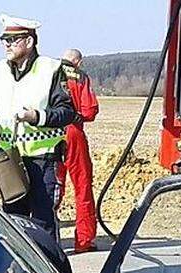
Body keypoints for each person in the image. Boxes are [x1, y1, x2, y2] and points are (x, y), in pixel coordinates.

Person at [0, 14, 76, 239]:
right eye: (4, 40)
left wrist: (37, 116)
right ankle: (17, 272)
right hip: (8, 161)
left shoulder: (51, 69)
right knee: (13, 221)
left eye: (13, 40)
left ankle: (49, 270)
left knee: (43, 222)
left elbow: (67, 112)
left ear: (29, 41)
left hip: (43, 160)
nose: (6, 45)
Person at [57, 49, 101, 254]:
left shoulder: (50, 72)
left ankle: (49, 236)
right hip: (74, 132)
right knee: (82, 186)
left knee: (53, 187)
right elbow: (89, 110)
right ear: (79, 62)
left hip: (51, 133)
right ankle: (83, 241)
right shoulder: (81, 77)